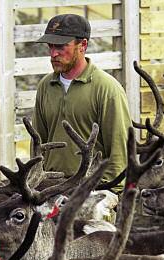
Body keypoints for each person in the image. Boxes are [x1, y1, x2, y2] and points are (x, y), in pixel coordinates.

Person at [32, 13, 131, 192]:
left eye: (61, 46)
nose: (53, 53)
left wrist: (111, 194)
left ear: (82, 45)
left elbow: (119, 152)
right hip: (50, 191)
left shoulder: (107, 89)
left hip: (92, 191)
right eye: (50, 46)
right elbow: (38, 144)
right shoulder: (45, 87)